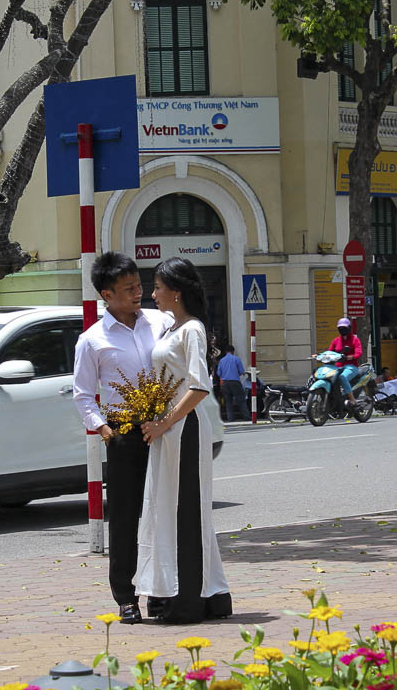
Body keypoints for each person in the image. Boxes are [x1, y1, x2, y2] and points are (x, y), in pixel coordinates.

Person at [73, 252, 170, 625]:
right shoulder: (92, 340)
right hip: (124, 432)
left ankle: (162, 592)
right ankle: (127, 597)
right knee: (126, 518)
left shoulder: (160, 322)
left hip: (164, 426)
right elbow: (83, 394)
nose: (137, 293)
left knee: (164, 513)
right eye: (128, 288)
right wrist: (103, 428)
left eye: (139, 285)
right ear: (107, 294)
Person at [135, 257, 232, 624]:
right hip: (167, 429)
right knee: (163, 507)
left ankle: (188, 598)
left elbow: (199, 386)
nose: (153, 294)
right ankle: (174, 592)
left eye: (158, 287)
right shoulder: (171, 329)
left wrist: (164, 423)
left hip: (184, 428)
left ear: (176, 292)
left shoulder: (192, 329)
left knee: (186, 510)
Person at [328, 317, 363, 409]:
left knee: (342, 377)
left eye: (344, 328)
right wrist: (320, 356)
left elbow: (359, 353)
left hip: (351, 366)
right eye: (340, 328)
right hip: (338, 367)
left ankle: (352, 399)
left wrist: (351, 357)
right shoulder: (336, 341)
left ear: (349, 328)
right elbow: (329, 352)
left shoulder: (355, 340)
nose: (342, 330)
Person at [214, 345, 247, 422]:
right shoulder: (236, 359)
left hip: (225, 383)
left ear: (226, 352)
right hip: (235, 382)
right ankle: (246, 417)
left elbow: (219, 373)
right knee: (241, 400)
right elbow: (241, 371)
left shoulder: (222, 360)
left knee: (228, 402)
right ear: (233, 351)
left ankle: (230, 418)